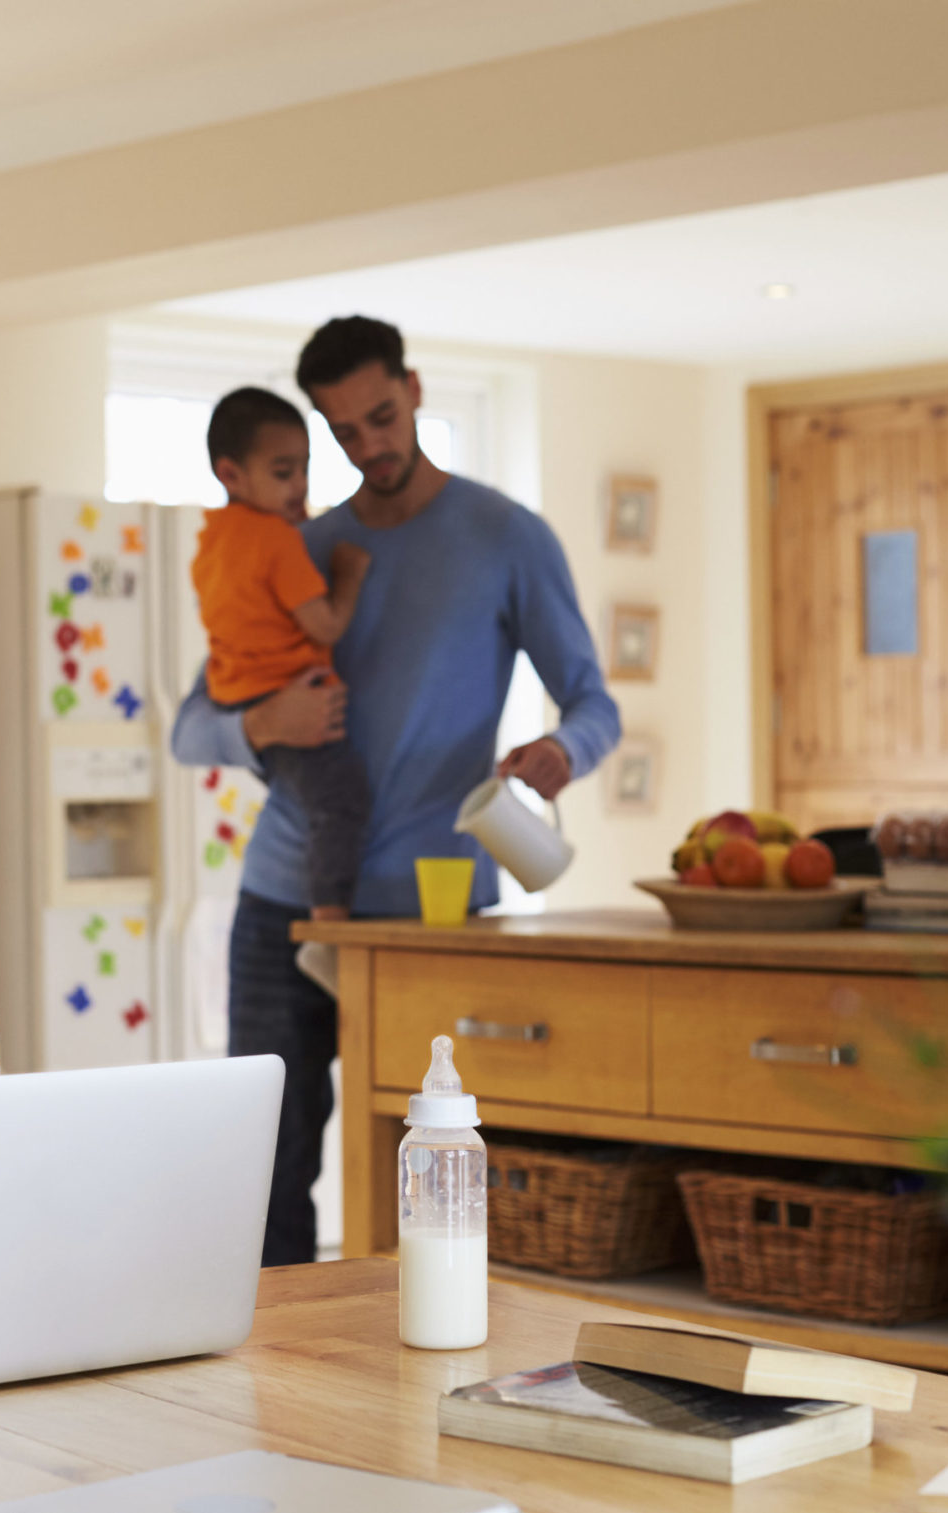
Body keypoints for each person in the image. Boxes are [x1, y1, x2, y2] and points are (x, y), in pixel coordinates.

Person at [172, 317, 618, 1266]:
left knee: (434, 1170)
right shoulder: (301, 544)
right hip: (283, 906)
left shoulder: (505, 536)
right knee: (265, 1163)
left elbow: (595, 702)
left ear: (415, 390)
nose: (368, 445)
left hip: (435, 909)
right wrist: (263, 724)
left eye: (381, 416)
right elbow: (189, 728)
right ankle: (270, 1383)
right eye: (344, 433)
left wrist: (563, 750)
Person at [189, 387, 371, 925]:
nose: (300, 487)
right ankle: (329, 922)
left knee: (310, 800)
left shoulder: (211, 541)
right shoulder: (276, 540)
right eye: (283, 472)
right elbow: (327, 622)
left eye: (306, 468)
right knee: (341, 803)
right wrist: (349, 575)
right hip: (291, 698)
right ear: (231, 474)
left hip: (236, 697)